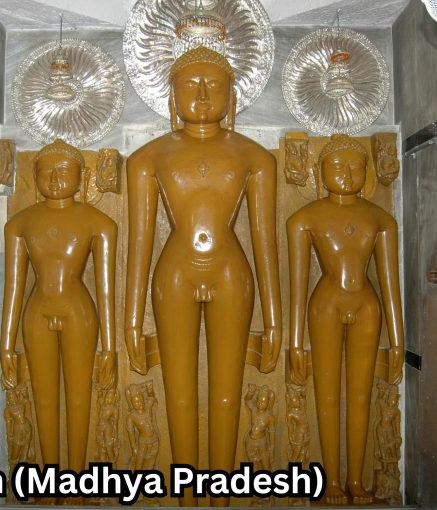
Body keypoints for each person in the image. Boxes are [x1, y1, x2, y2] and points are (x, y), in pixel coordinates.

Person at [124, 46, 281, 507]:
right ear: (171, 97)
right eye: (190, 85)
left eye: (214, 85)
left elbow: (265, 240)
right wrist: (132, 319)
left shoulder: (255, 157)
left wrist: (274, 319)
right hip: (175, 273)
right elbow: (139, 241)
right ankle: (187, 498)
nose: (203, 94)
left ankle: (221, 499)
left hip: (231, 273)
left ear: (233, 97)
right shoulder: (148, 158)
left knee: (227, 394)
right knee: (179, 394)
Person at [287, 133, 404, 505]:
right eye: (336, 165)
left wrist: (398, 340)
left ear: (367, 172)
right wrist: (294, 342)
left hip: (367, 305)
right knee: (327, 395)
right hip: (326, 304)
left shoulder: (381, 219)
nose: (347, 173)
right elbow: (298, 287)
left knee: (360, 395)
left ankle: (356, 479)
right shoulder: (304, 219)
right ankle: (331, 481)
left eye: (356, 166)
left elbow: (390, 285)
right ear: (319, 173)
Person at [0, 139, 117, 472]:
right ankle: (49, 479)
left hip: (78, 312)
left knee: (79, 398)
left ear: (82, 177)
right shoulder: (19, 225)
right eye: (46, 172)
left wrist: (109, 348)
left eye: (64, 171)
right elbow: (13, 289)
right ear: (34, 175)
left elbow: (106, 291)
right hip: (37, 313)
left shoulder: (99, 223)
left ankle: (77, 478)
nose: (54, 179)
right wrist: (6, 345)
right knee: (44, 398)